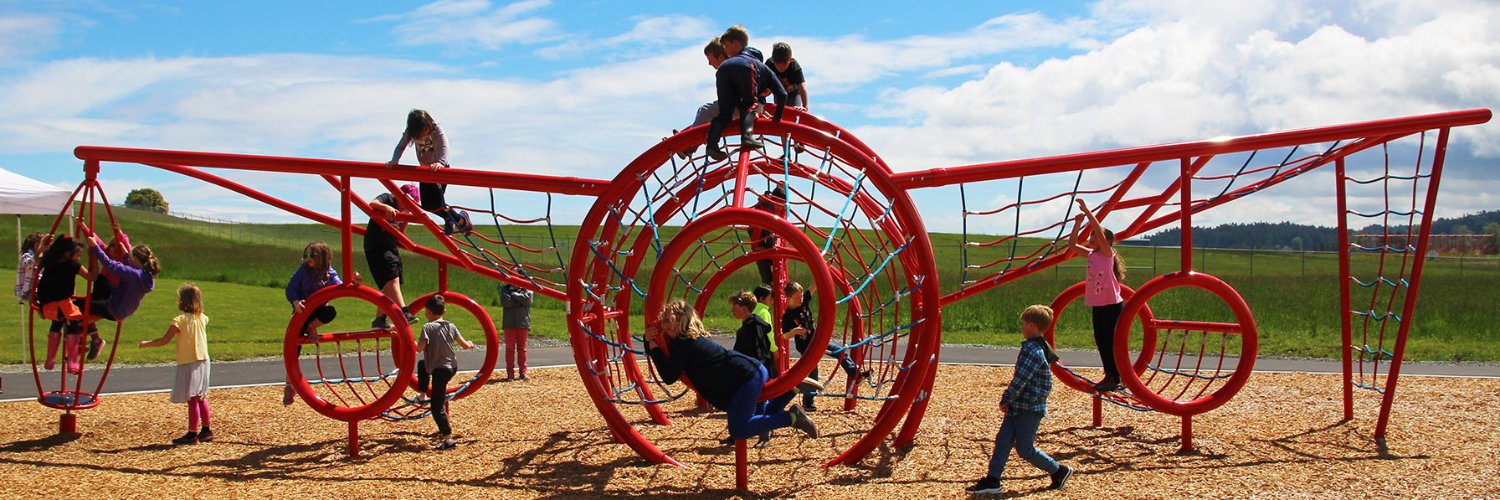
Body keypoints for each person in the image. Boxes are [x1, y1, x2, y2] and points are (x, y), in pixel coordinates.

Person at [645, 300, 820, 443]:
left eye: (669, 320)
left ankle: (792, 418)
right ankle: (790, 391)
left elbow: (669, 376)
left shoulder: (683, 344)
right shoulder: (690, 340)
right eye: (663, 321)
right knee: (761, 417)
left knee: (739, 429)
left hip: (745, 377)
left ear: (682, 321)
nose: (664, 325)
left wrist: (653, 347)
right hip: (750, 371)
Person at [965, 305, 1074, 494]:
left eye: (1023, 324)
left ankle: (1058, 470)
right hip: (1019, 405)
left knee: (1025, 449)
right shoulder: (1038, 346)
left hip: (1029, 407)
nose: (1021, 328)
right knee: (1003, 441)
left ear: (1031, 325)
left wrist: (1006, 398)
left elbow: (1021, 379)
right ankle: (993, 479)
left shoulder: (1032, 350)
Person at [283, 241, 359, 405]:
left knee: (330, 311)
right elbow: (291, 288)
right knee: (292, 350)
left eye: (311, 255)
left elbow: (340, 286)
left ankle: (312, 326)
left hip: (316, 311)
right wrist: (296, 302)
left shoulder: (328, 271)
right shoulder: (303, 270)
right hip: (301, 313)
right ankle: (289, 385)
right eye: (306, 254)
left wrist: (352, 282)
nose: (307, 258)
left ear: (322, 258)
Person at [139, 284, 212, 446]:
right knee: (201, 398)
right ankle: (206, 430)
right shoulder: (202, 318)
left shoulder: (179, 321)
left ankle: (192, 434)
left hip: (189, 362)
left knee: (192, 399)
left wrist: (146, 344)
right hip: (204, 361)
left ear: (182, 301)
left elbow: (164, 340)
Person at [781, 281, 868, 411]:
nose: (801, 300)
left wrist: (825, 268)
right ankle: (808, 403)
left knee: (840, 351)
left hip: (817, 339)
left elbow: (815, 285)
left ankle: (856, 376)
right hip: (806, 346)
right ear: (789, 298)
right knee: (813, 374)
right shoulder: (788, 315)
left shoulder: (804, 300)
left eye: (801, 296)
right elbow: (784, 336)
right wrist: (794, 332)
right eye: (797, 298)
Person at [705, 25, 787, 161]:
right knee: (750, 104)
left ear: (736, 43)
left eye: (726, 46)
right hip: (745, 68)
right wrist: (776, 120)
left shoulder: (728, 62)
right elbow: (782, 94)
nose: (725, 51)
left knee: (725, 113)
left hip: (723, 70)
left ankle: (712, 144)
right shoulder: (760, 66)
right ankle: (747, 136)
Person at [1069, 199, 1127, 391]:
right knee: (1101, 340)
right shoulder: (1092, 254)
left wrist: (1087, 211)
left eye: (1095, 237)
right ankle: (1110, 375)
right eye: (1091, 237)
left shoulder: (1107, 254)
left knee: (1111, 340)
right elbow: (1071, 245)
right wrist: (1077, 223)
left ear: (1107, 241)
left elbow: (1098, 229)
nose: (1092, 239)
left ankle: (1116, 375)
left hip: (1111, 304)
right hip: (1098, 304)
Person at [387, 109, 470, 235]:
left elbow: (444, 147)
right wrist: (394, 160)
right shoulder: (410, 133)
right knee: (427, 205)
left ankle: (459, 220)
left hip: (440, 170)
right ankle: (457, 219)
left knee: (437, 203)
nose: (426, 133)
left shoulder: (436, 129)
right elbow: (400, 146)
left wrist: (440, 163)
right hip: (425, 171)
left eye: (427, 130)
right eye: (422, 133)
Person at [414, 294, 476, 450]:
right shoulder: (451, 326)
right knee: (422, 365)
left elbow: (419, 348)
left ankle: (448, 440)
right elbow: (464, 344)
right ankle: (422, 394)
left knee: (436, 405)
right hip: (451, 368)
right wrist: (470, 344)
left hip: (439, 370)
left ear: (427, 312)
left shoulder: (427, 327)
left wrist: (407, 339)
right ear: (444, 311)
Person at [364, 184, 423, 330]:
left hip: (390, 246)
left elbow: (401, 234)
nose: (408, 207)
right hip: (377, 245)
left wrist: (406, 219)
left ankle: (380, 319)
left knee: (390, 284)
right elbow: (372, 204)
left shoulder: (405, 212)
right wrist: (387, 208)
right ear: (399, 195)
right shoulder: (387, 198)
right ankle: (404, 312)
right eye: (407, 202)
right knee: (392, 279)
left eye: (412, 204)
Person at [35, 234, 96, 373]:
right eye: (78, 255)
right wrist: (95, 260)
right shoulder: (73, 266)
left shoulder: (49, 261)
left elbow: (37, 258)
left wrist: (42, 247)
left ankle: (50, 359)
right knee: (72, 322)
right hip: (62, 305)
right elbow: (91, 277)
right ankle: (73, 361)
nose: (78, 258)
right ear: (68, 253)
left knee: (57, 323)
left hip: (47, 306)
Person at [731, 290, 777, 447]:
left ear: (744, 308)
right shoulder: (750, 325)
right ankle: (736, 434)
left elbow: (760, 349)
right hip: (748, 369)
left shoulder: (754, 326)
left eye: (734, 307)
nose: (732, 311)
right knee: (742, 401)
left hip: (754, 370)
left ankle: (764, 436)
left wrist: (757, 366)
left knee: (759, 402)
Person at [748, 184, 786, 284]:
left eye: (782, 204)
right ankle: (767, 283)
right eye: (777, 203)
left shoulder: (783, 209)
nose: (779, 206)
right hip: (757, 228)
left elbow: (782, 226)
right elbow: (756, 230)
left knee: (776, 246)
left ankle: (774, 264)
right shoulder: (764, 208)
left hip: (771, 228)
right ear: (772, 200)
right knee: (761, 256)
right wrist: (756, 247)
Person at [498, 282, 534, 381]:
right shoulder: (505, 289)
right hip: (509, 323)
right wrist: (520, 300)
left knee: (522, 349)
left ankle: (523, 372)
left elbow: (528, 300)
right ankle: (510, 373)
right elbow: (506, 302)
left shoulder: (528, 288)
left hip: (523, 323)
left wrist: (515, 296)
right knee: (510, 349)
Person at [769, 42, 808, 109]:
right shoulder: (769, 64)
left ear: (790, 60)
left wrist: (805, 107)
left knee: (795, 109)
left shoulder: (794, 67)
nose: (780, 68)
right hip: (778, 92)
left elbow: (802, 87)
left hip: (794, 92)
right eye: (777, 64)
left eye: (784, 64)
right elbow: (761, 83)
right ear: (773, 61)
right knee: (779, 108)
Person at [14, 232, 44, 304]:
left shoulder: (41, 258)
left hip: (36, 289)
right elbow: (29, 263)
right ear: (37, 246)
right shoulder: (26, 256)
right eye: (47, 245)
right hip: (27, 291)